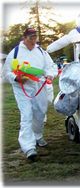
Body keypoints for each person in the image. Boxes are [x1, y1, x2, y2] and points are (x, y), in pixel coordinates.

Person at [2, 28, 58, 161]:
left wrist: (50, 74)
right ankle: (28, 147)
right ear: (24, 37)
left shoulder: (40, 51)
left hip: (39, 86)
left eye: (35, 37)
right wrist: (17, 78)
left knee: (40, 112)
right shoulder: (15, 52)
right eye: (31, 38)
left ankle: (37, 135)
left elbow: (51, 66)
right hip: (22, 88)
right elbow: (6, 73)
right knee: (26, 114)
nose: (33, 40)